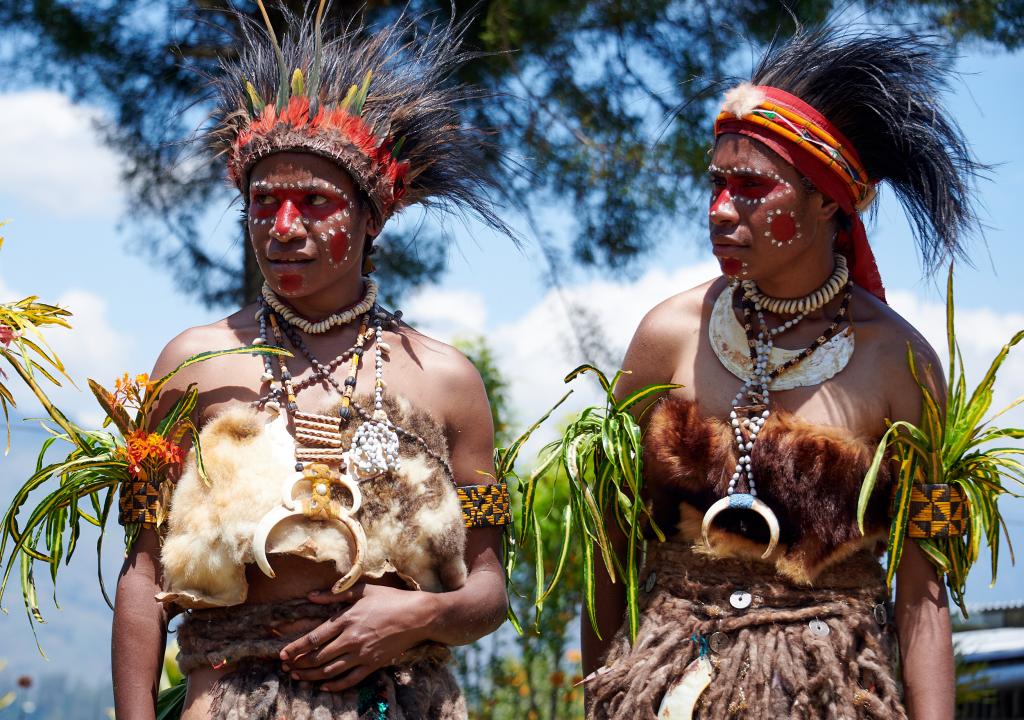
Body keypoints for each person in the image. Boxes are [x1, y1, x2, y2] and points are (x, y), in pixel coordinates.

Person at [111, 7, 512, 718]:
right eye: (263, 203)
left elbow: (487, 593)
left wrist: (412, 619)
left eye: (314, 202)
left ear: (370, 217)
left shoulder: (446, 380)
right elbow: (144, 574)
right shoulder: (195, 364)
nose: (283, 227)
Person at [583, 27, 983, 719]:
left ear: (830, 199)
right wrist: (603, 696)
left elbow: (923, 590)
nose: (721, 211)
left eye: (751, 188)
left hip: (829, 692)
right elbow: (608, 544)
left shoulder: (902, 363)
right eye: (716, 185)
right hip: (671, 690)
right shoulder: (666, 336)